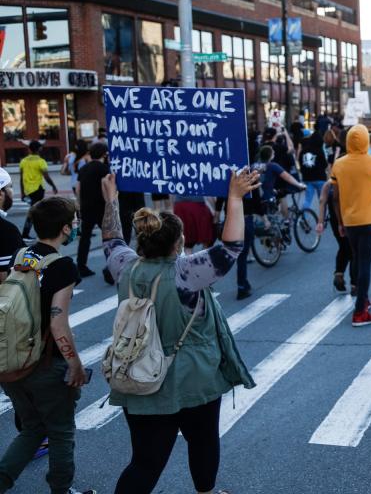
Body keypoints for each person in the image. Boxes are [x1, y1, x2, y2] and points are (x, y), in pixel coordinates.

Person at [101, 170, 257, 494]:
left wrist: (111, 201)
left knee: (144, 462)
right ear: (178, 243)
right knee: (202, 444)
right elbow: (230, 249)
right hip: (192, 381)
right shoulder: (184, 272)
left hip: (139, 378)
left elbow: (111, 239)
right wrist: (235, 198)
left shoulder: (124, 266)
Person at [0, 196, 97, 494]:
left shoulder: (22, 255)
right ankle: (61, 490)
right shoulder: (63, 266)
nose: (78, 226)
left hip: (13, 358)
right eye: (76, 222)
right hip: (45, 364)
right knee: (61, 432)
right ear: (66, 229)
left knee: (32, 428)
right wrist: (75, 363)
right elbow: (58, 321)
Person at [330, 126, 371, 326]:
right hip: (369, 220)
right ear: (367, 142)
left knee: (358, 260)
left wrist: (341, 222)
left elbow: (335, 197)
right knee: (365, 264)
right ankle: (360, 312)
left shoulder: (339, 165)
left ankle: (363, 300)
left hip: (349, 221)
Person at [75, 142, 110, 278]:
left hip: (86, 207)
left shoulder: (83, 168)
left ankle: (81, 266)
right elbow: (104, 187)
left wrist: (79, 203)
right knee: (110, 237)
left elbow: (78, 188)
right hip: (101, 207)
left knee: (85, 238)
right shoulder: (104, 168)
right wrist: (110, 203)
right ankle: (112, 264)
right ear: (104, 154)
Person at [315, 179, 352, 294]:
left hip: (335, 222)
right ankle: (355, 284)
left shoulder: (329, 183)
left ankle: (339, 274)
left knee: (343, 246)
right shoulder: (349, 180)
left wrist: (320, 221)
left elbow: (322, 201)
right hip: (350, 219)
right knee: (353, 250)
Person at [19, 140, 57, 240]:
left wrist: (22, 192)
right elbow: (46, 176)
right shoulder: (41, 161)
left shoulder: (23, 161)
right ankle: (27, 234)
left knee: (35, 210)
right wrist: (53, 186)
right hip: (38, 190)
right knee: (35, 211)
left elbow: (21, 178)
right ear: (39, 149)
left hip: (28, 190)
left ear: (29, 149)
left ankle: (29, 233)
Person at [298, 127, 328, 214]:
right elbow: (325, 164)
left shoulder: (303, 151)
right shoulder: (319, 150)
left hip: (307, 178)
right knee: (322, 200)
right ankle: (322, 218)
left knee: (307, 199)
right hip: (320, 178)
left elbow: (300, 163)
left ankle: (303, 216)